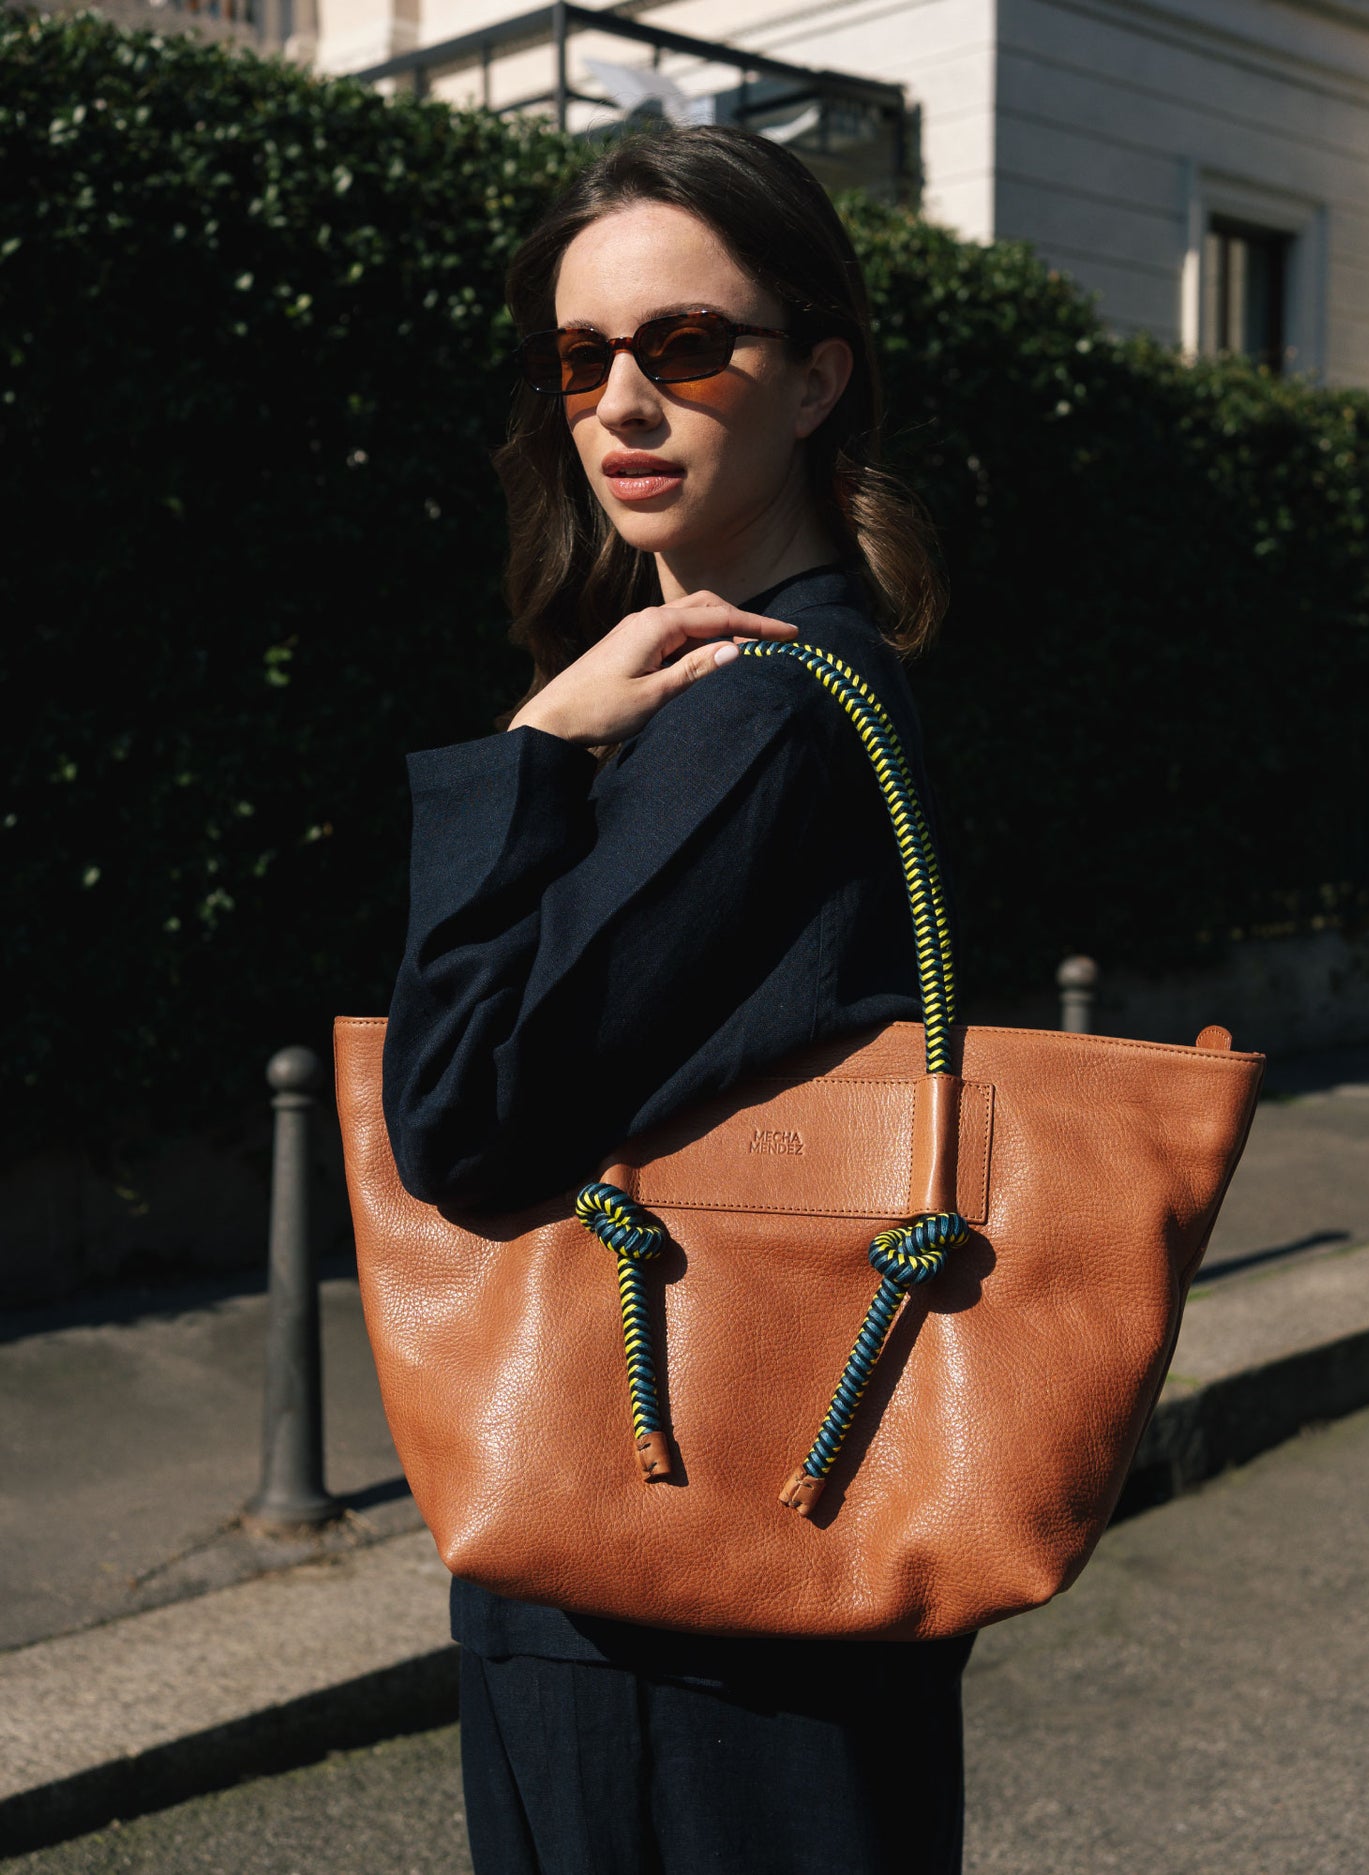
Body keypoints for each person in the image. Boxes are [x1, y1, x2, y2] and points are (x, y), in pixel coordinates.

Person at [382, 124, 974, 1875]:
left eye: (687, 346)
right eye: (583, 359)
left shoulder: (759, 716)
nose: (624, 402)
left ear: (815, 380)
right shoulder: (779, 679)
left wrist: (529, 755)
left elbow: (467, 1119)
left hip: (675, 1605)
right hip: (752, 1545)